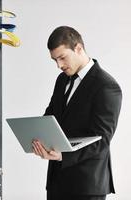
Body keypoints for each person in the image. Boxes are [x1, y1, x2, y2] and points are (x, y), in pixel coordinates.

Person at [31, 26, 122, 200]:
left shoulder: (106, 86)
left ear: (78, 48)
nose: (59, 65)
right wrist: (38, 136)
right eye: (54, 60)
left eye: (62, 57)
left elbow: (102, 140)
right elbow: (52, 116)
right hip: (56, 183)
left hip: (86, 187)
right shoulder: (62, 79)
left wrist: (63, 156)